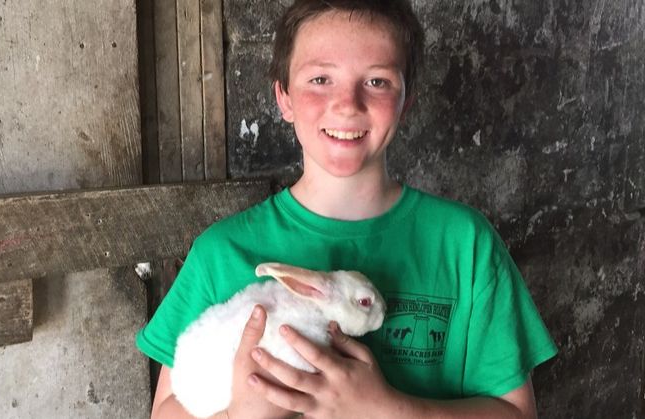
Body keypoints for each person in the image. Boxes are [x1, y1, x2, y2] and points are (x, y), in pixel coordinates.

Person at [136, 1, 558, 417]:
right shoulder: (220, 253)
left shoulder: (466, 245)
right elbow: (168, 410)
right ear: (284, 98)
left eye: (377, 82)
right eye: (320, 78)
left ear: (406, 101)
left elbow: (515, 411)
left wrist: (388, 409)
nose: (348, 103)